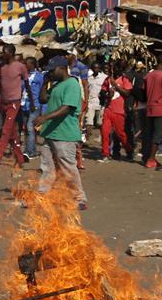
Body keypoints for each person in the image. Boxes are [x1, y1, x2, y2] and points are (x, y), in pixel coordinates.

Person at [33, 56, 87, 210]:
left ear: (62, 68)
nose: (50, 73)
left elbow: (67, 108)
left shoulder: (72, 84)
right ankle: (43, 195)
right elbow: (43, 99)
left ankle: (79, 198)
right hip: (51, 132)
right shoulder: (56, 85)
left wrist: (45, 117)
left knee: (68, 167)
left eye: (52, 70)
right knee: (47, 166)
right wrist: (45, 82)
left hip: (65, 133)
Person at [0, 44, 29, 171]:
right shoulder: (2, 68)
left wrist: (31, 101)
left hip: (15, 102)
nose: (3, 54)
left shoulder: (20, 67)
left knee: (5, 130)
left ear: (11, 53)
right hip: (3, 102)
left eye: (5, 52)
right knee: (12, 133)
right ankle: (20, 159)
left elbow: (27, 84)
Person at [99, 61, 133, 162]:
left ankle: (129, 150)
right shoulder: (107, 79)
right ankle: (105, 154)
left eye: (113, 69)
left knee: (120, 134)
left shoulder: (124, 79)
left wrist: (116, 86)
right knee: (105, 132)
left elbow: (127, 93)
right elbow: (102, 93)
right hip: (108, 110)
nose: (111, 70)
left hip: (119, 111)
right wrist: (107, 94)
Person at [22, 57, 45, 160]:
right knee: (27, 129)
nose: (25, 65)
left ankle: (30, 152)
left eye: (27, 64)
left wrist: (42, 109)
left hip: (34, 105)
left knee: (30, 128)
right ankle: (31, 149)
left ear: (32, 65)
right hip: (23, 104)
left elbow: (42, 92)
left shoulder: (40, 77)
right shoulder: (24, 76)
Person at [85, 61, 108, 142]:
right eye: (94, 68)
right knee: (89, 122)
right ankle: (86, 140)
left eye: (97, 68)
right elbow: (86, 90)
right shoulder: (89, 78)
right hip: (91, 102)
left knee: (100, 123)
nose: (96, 69)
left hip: (100, 103)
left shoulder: (105, 77)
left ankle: (103, 139)